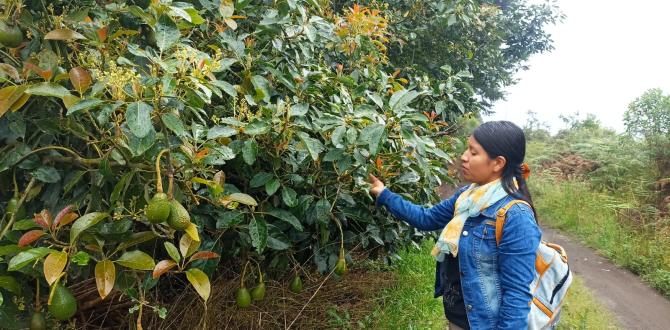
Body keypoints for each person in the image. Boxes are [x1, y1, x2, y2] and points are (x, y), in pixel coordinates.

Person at [369, 121, 541, 329]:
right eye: (467, 148)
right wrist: (384, 194)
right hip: (459, 317)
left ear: (498, 163)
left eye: (474, 152)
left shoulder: (516, 216)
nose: (464, 157)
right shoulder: (467, 196)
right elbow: (427, 218)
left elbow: (517, 294)